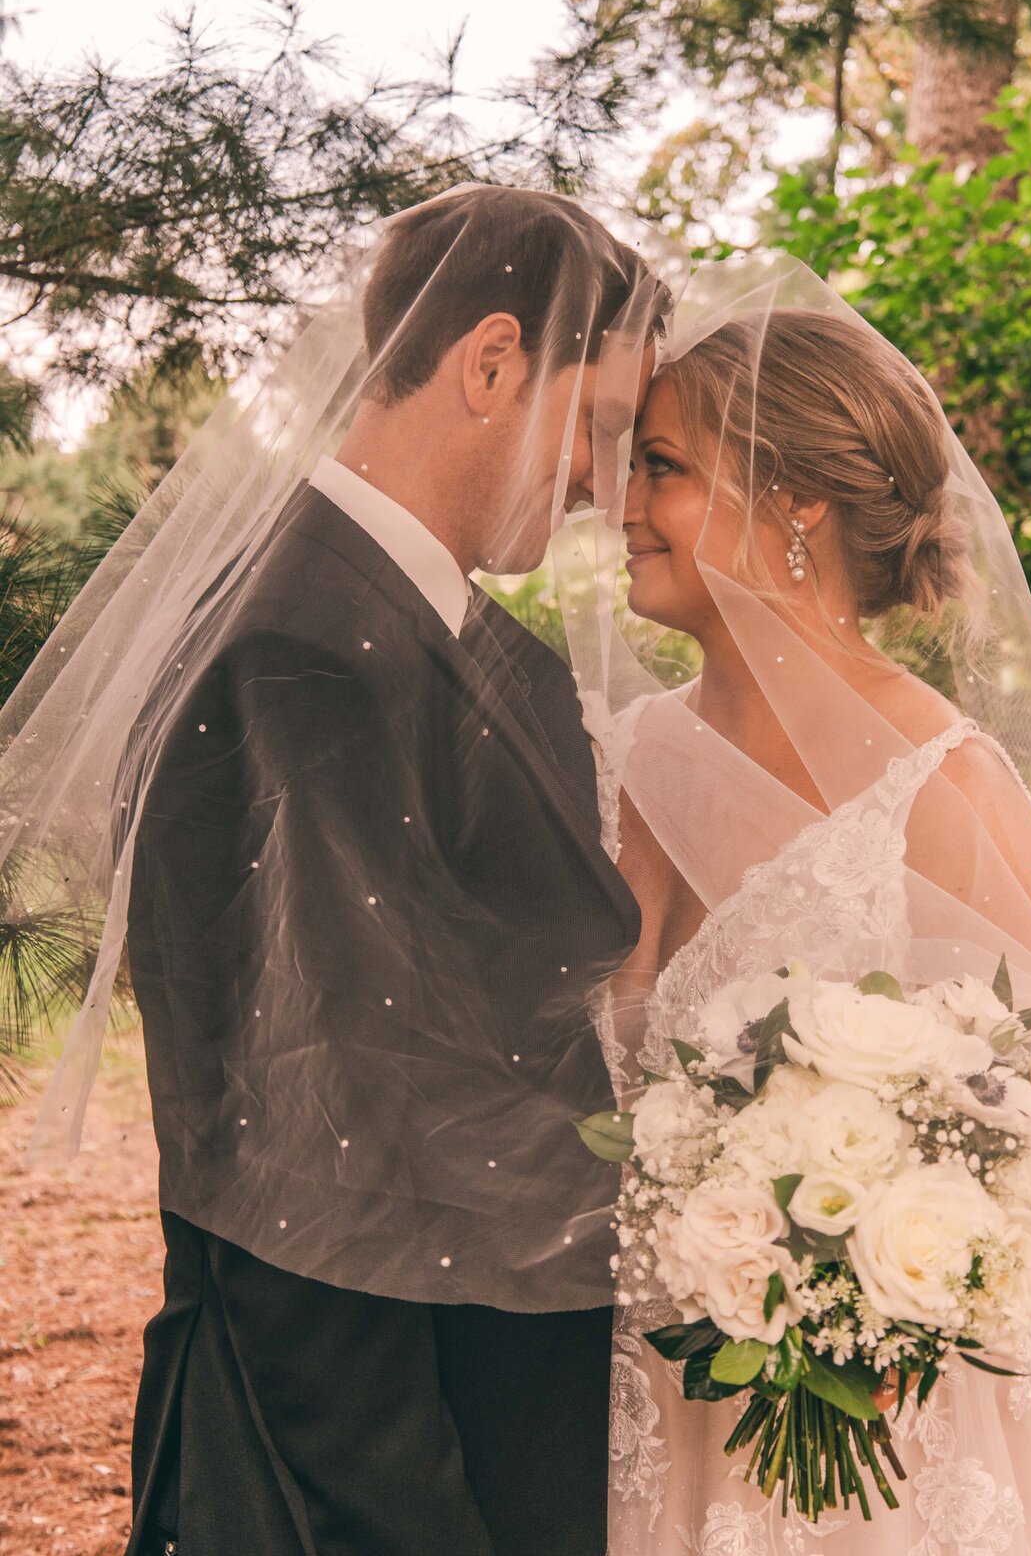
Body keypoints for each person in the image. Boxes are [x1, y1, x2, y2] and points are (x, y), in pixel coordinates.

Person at [1, 185, 672, 1556]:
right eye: (600, 426)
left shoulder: (484, 652)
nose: (610, 483)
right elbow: (309, 1167)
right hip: (360, 1479)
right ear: (490, 364)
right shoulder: (291, 653)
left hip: (504, 1425)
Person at [569, 274, 1031, 1555]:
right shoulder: (610, 759)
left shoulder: (944, 790)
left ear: (792, 505)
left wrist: (882, 1281)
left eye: (664, 469)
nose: (622, 508)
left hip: (902, 1449)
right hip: (644, 1409)